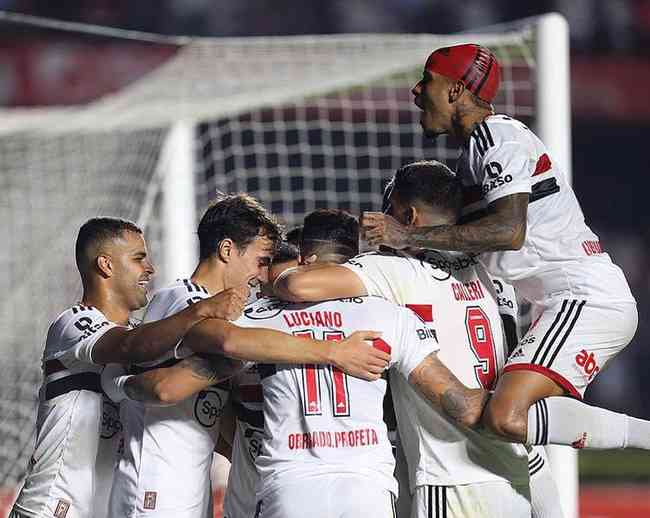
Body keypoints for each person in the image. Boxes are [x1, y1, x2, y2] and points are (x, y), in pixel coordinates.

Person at [361, 43, 648, 453]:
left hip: (583, 297)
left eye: (428, 79)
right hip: (559, 302)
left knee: (505, 415)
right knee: (513, 434)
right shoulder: (474, 154)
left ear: (456, 90)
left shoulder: (499, 137)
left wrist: (406, 237)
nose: (416, 90)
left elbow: (508, 230)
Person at [117, 208, 488, 518]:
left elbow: (170, 387)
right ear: (354, 261)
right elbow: (458, 401)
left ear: (303, 259)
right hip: (366, 488)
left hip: (290, 487)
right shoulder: (390, 316)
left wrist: (122, 386)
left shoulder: (257, 318)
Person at [275, 168, 536, 517]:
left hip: (452, 477)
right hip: (515, 472)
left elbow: (297, 287)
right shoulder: (493, 275)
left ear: (408, 217)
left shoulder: (396, 272)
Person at [106, 195, 388, 518]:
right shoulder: (184, 301)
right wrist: (333, 351)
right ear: (227, 250)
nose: (263, 275)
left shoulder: (209, 307)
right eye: (261, 261)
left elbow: (213, 414)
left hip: (183, 488)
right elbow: (219, 349)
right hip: (155, 491)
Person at [9, 217, 246, 518]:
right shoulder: (73, 323)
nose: (150, 268)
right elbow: (127, 345)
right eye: (139, 258)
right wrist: (199, 310)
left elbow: (166, 383)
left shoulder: (142, 334)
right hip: (50, 510)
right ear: (106, 265)